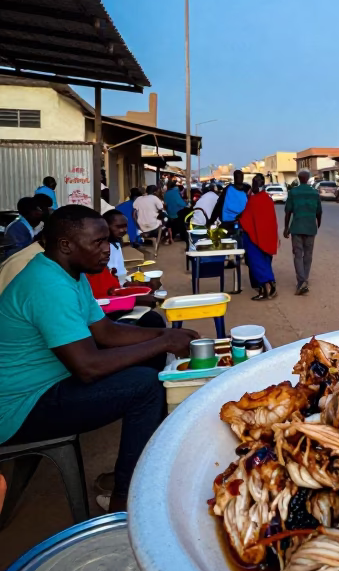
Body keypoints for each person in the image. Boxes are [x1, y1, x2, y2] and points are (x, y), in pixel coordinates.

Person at [0, 206, 197, 511]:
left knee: (151, 334)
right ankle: (125, 500)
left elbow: (105, 332)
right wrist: (163, 343)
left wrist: (164, 338)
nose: (107, 250)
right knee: (145, 386)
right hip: (20, 406)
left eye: (107, 240)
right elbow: (88, 367)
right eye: (98, 242)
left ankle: (139, 465)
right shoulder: (46, 285)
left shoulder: (68, 273)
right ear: (66, 245)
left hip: (49, 383)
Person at [238, 174, 279, 300]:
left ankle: (264, 289)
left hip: (254, 237)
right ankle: (271, 285)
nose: (254, 185)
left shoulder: (254, 200)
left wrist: (238, 220)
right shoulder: (267, 198)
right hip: (266, 236)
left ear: (259, 184)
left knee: (255, 262)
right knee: (265, 262)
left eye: (255, 183)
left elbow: (246, 218)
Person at [282, 168, 322, 295]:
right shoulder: (315, 192)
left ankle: (301, 281)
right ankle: (305, 279)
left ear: (299, 179)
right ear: (308, 178)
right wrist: (317, 225)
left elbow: (288, 211)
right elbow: (319, 212)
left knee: (298, 255)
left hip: (297, 227)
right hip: (310, 227)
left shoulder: (293, 192)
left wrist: (286, 227)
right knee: (308, 255)